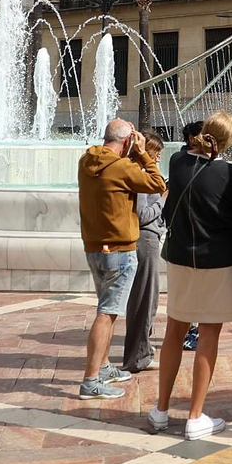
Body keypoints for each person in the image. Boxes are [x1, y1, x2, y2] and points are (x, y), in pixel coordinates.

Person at [149, 112, 232, 438]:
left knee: (174, 331)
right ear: (227, 141)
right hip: (216, 259)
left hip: (180, 258)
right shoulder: (227, 173)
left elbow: (185, 158)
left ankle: (161, 410)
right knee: (208, 335)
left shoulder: (178, 162)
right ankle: (195, 416)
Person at [76, 118, 165, 401]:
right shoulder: (123, 167)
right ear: (127, 141)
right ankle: (91, 380)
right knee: (106, 314)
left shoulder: (86, 161)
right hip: (119, 250)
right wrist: (142, 154)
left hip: (94, 247)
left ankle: (103, 366)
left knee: (109, 309)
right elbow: (158, 184)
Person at [120, 130, 167, 375]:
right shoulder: (137, 174)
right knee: (144, 298)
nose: (158, 158)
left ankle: (142, 350)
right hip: (145, 239)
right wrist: (163, 200)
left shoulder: (136, 171)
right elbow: (142, 214)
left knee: (147, 298)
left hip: (148, 238)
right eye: (155, 153)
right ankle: (137, 357)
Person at [178, 120, 205, 353]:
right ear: (191, 138)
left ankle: (193, 327)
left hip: (190, 236)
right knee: (192, 286)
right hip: (191, 235)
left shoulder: (179, 160)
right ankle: (192, 329)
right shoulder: (182, 161)